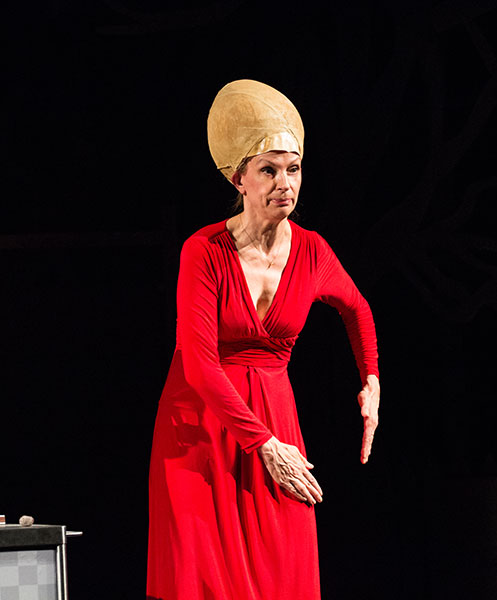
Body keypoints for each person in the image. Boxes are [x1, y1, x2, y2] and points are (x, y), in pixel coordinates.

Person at [146, 80, 380, 600]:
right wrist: (264, 444)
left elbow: (357, 309)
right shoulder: (204, 251)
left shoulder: (313, 251)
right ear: (240, 179)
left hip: (275, 414)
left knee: (283, 570)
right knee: (205, 578)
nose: (284, 183)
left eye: (293, 169)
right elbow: (199, 365)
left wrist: (371, 380)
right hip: (199, 427)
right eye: (269, 170)